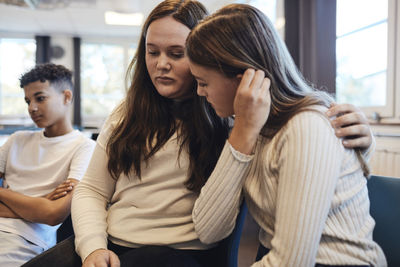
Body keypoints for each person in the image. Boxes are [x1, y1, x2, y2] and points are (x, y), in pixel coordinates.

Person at [23, 1, 373, 267]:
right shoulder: (245, 123)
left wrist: (356, 143)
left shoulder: (238, 121)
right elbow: (94, 190)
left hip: (175, 255)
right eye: (152, 51)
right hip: (115, 241)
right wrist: (94, 245)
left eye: (179, 55)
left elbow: (233, 235)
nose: (161, 64)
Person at [186, 4, 386, 267]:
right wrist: (243, 134)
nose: (200, 93)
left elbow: (292, 261)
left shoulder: (307, 127)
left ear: (243, 78)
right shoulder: (251, 130)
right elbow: (209, 230)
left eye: (203, 82)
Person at [0, 63, 95, 267]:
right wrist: (40, 201)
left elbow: (53, 214)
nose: (32, 108)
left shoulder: (85, 147)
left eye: (40, 98)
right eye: (28, 101)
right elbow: (44, 209)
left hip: (23, 241)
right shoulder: (16, 140)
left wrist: (3, 193)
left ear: (66, 97)